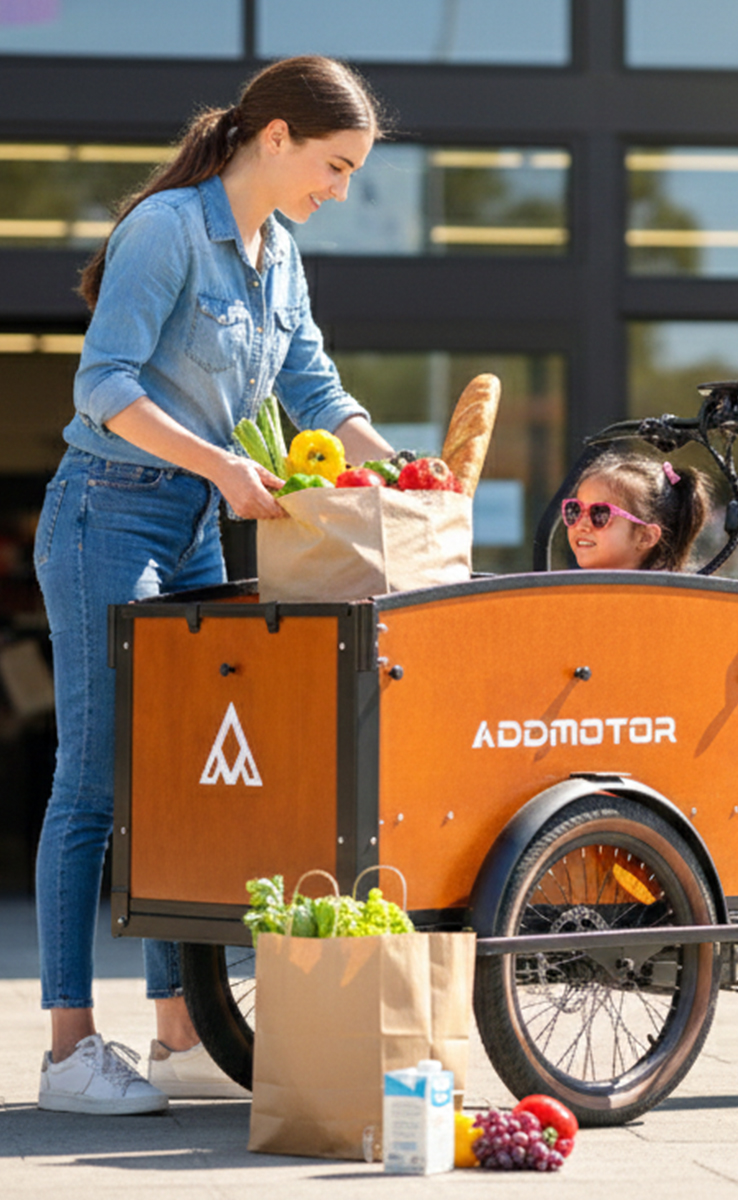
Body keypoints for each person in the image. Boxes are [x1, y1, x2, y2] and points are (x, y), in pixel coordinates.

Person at [34, 55, 396, 1115]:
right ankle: (67, 1049)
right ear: (274, 137)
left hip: (196, 526)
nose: (340, 191)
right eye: (334, 166)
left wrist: (398, 465)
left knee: (189, 782)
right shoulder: (168, 230)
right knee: (96, 778)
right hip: (109, 507)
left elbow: (314, 386)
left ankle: (180, 1035)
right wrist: (226, 467)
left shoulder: (278, 254)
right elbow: (102, 387)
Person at [562, 450, 714, 571]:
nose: (581, 525)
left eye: (600, 514)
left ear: (645, 537)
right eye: (575, 510)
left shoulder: (664, 601)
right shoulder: (572, 595)